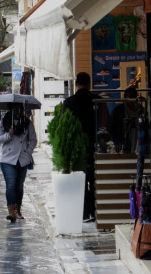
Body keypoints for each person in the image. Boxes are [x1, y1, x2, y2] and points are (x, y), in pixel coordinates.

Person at [62, 72, 100, 223]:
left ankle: (84, 212)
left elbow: (65, 128)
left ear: (76, 83)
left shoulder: (69, 103)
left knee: (81, 181)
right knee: (95, 179)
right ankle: (96, 211)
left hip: (78, 149)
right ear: (89, 83)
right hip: (97, 147)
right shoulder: (97, 100)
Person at [0, 104, 37, 222]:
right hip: (7, 159)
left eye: (20, 110)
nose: (18, 112)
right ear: (12, 110)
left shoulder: (27, 123)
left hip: (22, 158)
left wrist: (28, 152)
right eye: (16, 110)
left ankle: (18, 210)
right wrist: (9, 134)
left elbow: (33, 139)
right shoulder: (4, 122)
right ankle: (11, 211)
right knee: (11, 184)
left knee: (19, 186)